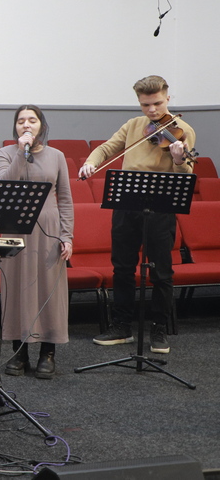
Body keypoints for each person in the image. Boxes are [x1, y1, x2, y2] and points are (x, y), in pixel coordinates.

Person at [81, 75, 195, 355]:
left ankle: (159, 328)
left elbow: (186, 173)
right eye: (145, 105)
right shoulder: (133, 125)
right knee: (122, 267)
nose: (152, 110)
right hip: (126, 203)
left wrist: (178, 159)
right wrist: (91, 162)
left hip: (161, 206)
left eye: (157, 103)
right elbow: (107, 148)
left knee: (161, 271)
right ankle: (121, 326)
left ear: (168, 98)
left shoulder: (182, 130)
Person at [0, 106, 74, 379]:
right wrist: (21, 152)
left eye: (32, 120)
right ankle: (19, 352)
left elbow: (65, 199)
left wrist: (67, 235)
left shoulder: (57, 156)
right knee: (17, 289)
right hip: (15, 230)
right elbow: (4, 185)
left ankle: (48, 353)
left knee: (49, 290)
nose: (26, 125)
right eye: (21, 121)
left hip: (49, 230)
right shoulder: (4, 153)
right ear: (15, 126)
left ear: (42, 125)